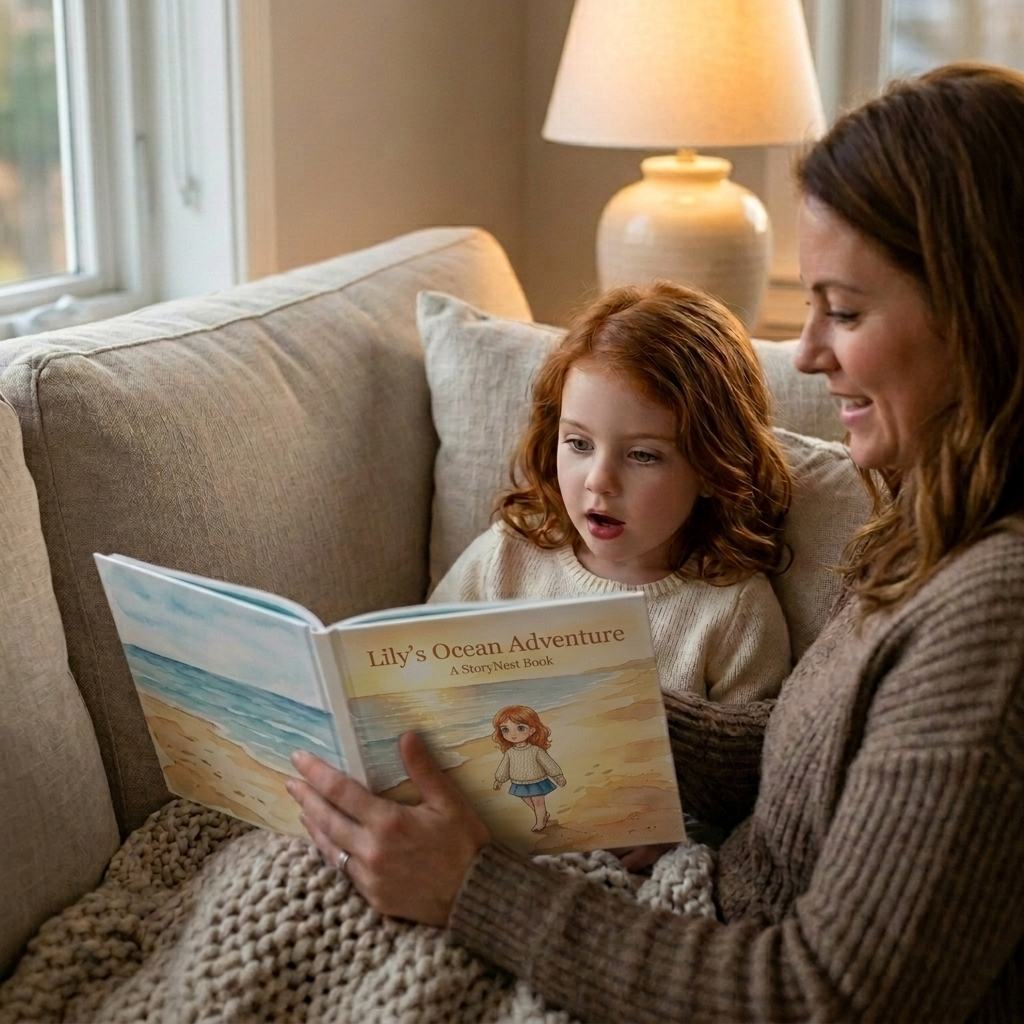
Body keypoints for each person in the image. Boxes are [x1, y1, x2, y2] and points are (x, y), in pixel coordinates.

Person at [287, 63, 1024, 1021]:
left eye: (844, 310)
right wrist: (592, 718)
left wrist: (469, 889)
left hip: (702, 944)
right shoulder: (928, 522)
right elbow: (826, 761)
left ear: (982, 317)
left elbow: (825, 998)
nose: (806, 352)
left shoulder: (995, 620)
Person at [430, 280, 793, 704]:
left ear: (713, 469)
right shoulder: (507, 556)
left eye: (642, 455)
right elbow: (418, 673)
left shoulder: (736, 612)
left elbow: (750, 744)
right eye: (579, 444)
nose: (599, 480)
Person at [490, 705, 566, 832]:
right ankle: (543, 815)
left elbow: (548, 763)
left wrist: (558, 776)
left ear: (532, 730)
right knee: (526, 798)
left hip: (537, 780)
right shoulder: (510, 752)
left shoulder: (536, 750)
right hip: (519, 782)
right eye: (505, 729)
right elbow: (504, 767)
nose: (513, 734)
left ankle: (540, 821)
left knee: (538, 802)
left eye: (520, 728)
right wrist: (499, 780)